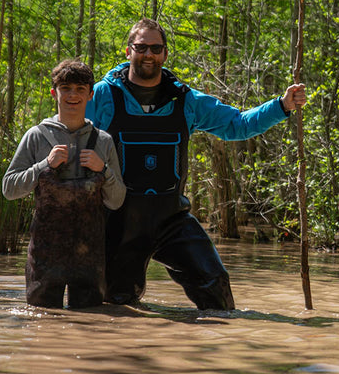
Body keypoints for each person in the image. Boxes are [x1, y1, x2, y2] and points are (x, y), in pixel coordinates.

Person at [85, 18, 307, 311]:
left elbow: (236, 125)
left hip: (172, 221)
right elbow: (75, 134)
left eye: (155, 48)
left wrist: (282, 106)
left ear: (165, 54)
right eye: (141, 47)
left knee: (217, 292)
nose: (148, 54)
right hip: (119, 223)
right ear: (128, 52)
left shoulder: (186, 100)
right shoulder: (101, 95)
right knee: (117, 308)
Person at [2, 59, 126, 308]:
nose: (73, 95)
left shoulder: (103, 141)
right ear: (54, 93)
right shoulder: (36, 136)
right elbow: (9, 189)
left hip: (89, 254)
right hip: (45, 253)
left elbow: (117, 200)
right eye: (66, 88)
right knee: (42, 321)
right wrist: (43, 165)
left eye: (80, 89)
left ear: (91, 95)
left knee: (89, 321)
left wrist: (103, 169)